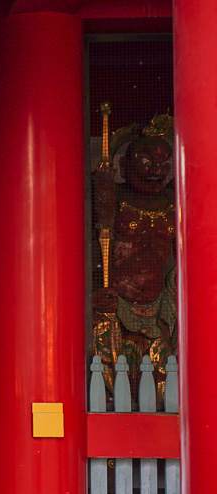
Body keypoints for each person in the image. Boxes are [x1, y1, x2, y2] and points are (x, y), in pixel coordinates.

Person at [92, 113, 177, 404]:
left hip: (160, 305)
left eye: (164, 163)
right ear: (125, 165)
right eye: (148, 162)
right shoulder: (113, 198)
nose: (157, 170)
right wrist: (92, 292)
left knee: (165, 374)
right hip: (116, 304)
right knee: (113, 378)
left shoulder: (174, 202)